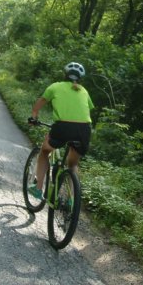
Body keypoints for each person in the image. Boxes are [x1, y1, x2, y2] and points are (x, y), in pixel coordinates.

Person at [28, 62, 94, 200]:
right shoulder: (84, 91)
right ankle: (72, 200)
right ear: (80, 78)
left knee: (44, 151)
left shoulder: (55, 86)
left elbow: (38, 105)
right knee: (73, 164)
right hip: (84, 130)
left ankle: (38, 188)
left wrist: (33, 118)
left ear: (65, 74)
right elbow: (87, 110)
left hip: (63, 127)